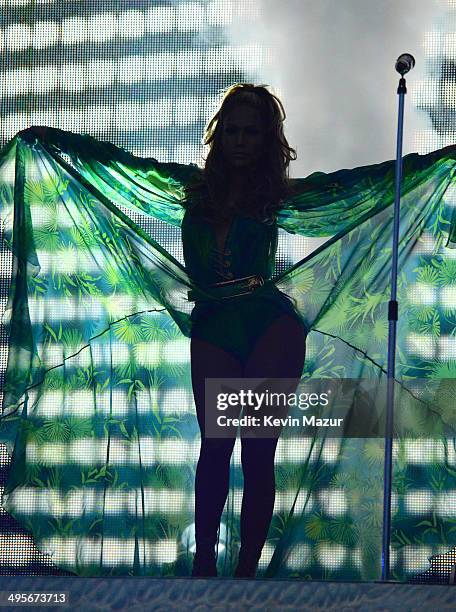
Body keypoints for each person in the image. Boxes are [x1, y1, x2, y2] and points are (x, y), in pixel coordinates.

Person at [180, 84, 308, 578]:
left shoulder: (280, 195)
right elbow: (118, 167)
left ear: (266, 139)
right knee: (216, 443)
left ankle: (247, 577)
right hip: (214, 326)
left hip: (269, 328)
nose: (238, 140)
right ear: (218, 135)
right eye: (230, 130)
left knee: (258, 447)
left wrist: (426, 164)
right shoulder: (189, 188)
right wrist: (53, 141)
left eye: (250, 132)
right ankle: (204, 564)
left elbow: (354, 189)